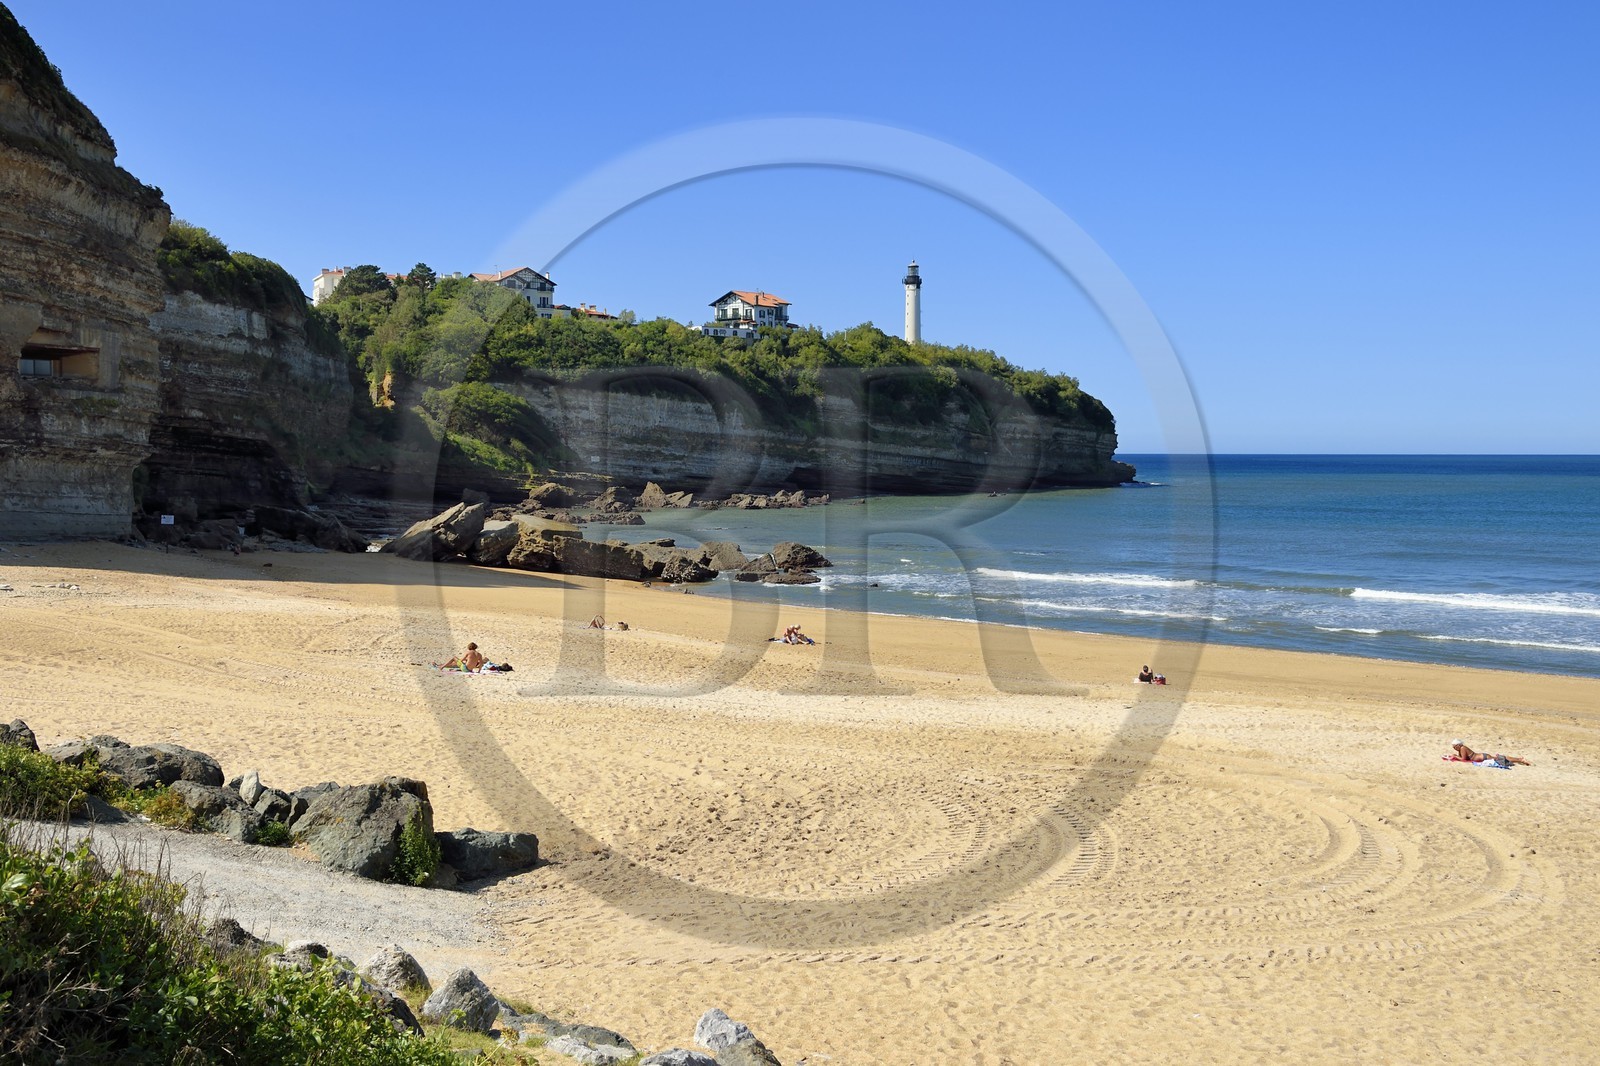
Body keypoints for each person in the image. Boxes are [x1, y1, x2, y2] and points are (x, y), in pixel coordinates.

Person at [1451, 739, 1530, 766]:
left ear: (1458, 745)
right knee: (1500, 758)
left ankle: (1520, 759)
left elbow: (1463, 759)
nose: (1454, 748)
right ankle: (1519, 760)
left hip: (1483, 757)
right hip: (1483, 756)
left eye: (1455, 746)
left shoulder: (1463, 748)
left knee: (1501, 758)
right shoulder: (1461, 749)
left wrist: (1455, 756)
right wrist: (1456, 755)